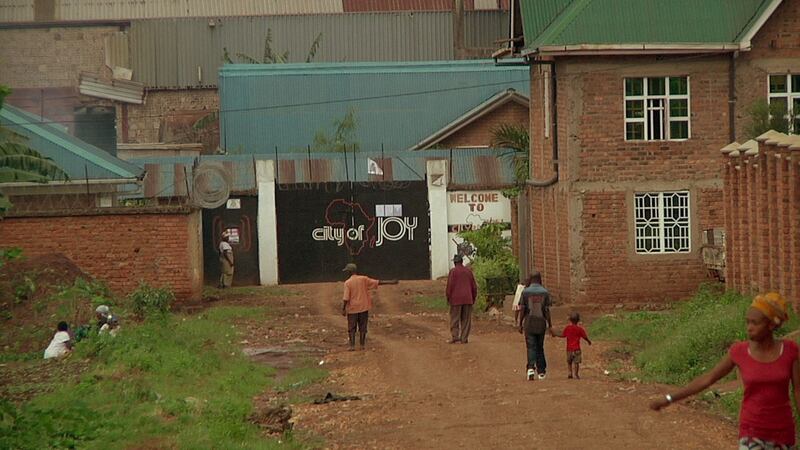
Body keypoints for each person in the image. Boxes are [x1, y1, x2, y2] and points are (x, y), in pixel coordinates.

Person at [649, 292, 799, 450]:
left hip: (783, 433)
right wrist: (669, 398)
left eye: (755, 323)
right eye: (747, 322)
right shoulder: (739, 352)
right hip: (751, 432)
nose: (749, 328)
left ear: (772, 325)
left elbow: (798, 390)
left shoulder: (789, 351)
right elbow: (708, 379)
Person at [341, 263, 396, 351]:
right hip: (363, 307)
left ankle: (352, 346)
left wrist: (343, 308)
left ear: (349, 272)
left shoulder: (348, 283)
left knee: (352, 327)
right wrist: (391, 282)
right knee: (363, 327)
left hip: (352, 309)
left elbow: (346, 298)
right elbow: (378, 282)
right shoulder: (363, 279)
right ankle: (362, 345)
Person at [516, 272, 552, 380]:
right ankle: (541, 372)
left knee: (531, 346)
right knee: (540, 347)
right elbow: (546, 310)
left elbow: (522, 309)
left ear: (531, 279)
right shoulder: (545, 292)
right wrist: (550, 325)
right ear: (539, 279)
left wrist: (520, 323)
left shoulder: (526, 292)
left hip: (529, 322)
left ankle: (531, 369)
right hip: (541, 322)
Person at [445, 254, 478, 344]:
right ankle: (464, 338)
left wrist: (448, 297)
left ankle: (455, 337)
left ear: (455, 263)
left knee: (455, 318)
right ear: (462, 262)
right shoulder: (468, 271)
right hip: (468, 299)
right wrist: (473, 298)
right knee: (466, 320)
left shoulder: (453, 272)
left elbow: (449, 287)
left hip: (455, 300)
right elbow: (474, 287)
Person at [551, 312, 592, 379]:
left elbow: (562, 335)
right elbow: (584, 336)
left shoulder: (568, 328)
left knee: (569, 362)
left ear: (570, 320)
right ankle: (576, 374)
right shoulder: (579, 329)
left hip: (569, 349)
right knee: (576, 362)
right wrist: (588, 341)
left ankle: (570, 373)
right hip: (577, 349)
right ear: (578, 320)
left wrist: (555, 334)